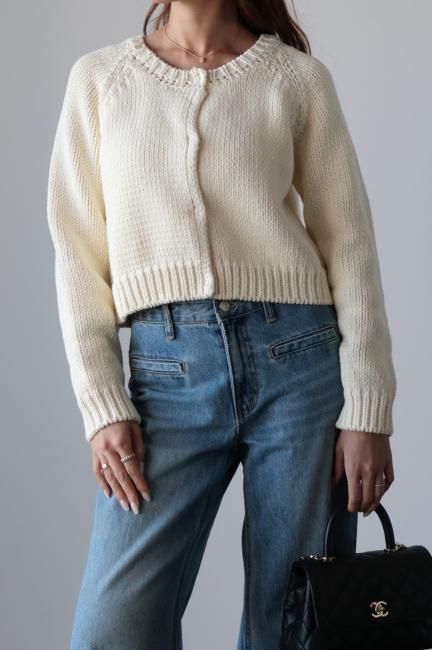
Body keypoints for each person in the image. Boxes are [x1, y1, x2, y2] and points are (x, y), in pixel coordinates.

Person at [46, 1, 397, 648]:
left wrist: (368, 410)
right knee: (112, 630)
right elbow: (77, 253)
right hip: (167, 371)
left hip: (300, 365)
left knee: (291, 626)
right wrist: (102, 404)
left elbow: (350, 246)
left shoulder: (296, 79)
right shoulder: (99, 80)